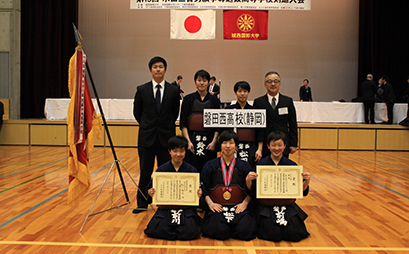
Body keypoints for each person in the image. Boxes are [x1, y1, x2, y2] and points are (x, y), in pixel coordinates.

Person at [133, 56, 181, 213]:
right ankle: (142, 203)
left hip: (166, 139)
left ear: (165, 70)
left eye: (161, 67)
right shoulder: (142, 89)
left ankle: (165, 202)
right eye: (155, 67)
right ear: (150, 70)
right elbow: (137, 113)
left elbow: (175, 113)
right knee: (145, 171)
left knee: (165, 172)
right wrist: (148, 125)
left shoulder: (173, 91)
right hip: (146, 139)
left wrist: (164, 126)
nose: (158, 69)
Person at [252, 131, 311, 242]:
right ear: (268, 146)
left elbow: (299, 191)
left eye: (280, 145)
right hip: (267, 206)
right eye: (273, 145)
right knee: (272, 233)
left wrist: (306, 182)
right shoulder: (261, 165)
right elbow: (254, 190)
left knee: (293, 233)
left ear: (285, 146)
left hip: (287, 205)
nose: (276, 148)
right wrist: (249, 180)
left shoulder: (292, 166)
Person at [200, 130, 257, 241]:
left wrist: (244, 204)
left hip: (238, 206)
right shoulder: (210, 165)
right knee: (219, 231)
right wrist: (211, 204)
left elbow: (253, 189)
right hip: (217, 206)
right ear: (220, 145)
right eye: (224, 143)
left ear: (236, 146)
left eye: (231, 143)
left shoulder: (244, 165)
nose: (227, 146)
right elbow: (203, 188)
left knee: (245, 231)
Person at [144, 136, 203, 240]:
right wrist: (151, 193)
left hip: (186, 210)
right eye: (175, 151)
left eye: (181, 151)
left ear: (185, 152)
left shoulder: (191, 170)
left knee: (190, 231)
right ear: (169, 151)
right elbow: (150, 191)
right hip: (165, 209)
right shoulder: (161, 171)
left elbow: (199, 196)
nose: (178, 154)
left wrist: (199, 195)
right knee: (159, 230)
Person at [180, 69, 220, 172]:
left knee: (208, 170)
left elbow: (218, 124)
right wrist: (188, 142)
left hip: (209, 142)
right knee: (191, 169)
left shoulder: (215, 101)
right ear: (195, 82)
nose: (201, 83)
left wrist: (214, 142)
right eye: (199, 80)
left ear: (208, 82)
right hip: (192, 141)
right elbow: (183, 123)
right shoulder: (188, 99)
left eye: (204, 80)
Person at [253, 71, 298, 158]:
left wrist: (293, 143)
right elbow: (256, 126)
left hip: (283, 144)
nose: (273, 84)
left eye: (276, 81)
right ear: (265, 84)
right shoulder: (259, 102)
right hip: (265, 145)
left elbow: (293, 124)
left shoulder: (287, 101)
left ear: (280, 84)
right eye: (269, 81)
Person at [225, 81, 263, 168]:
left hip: (251, 146)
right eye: (239, 91)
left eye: (245, 91)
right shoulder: (228, 110)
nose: (242, 94)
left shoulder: (255, 111)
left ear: (248, 93)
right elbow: (225, 131)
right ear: (235, 93)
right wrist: (230, 145)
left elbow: (260, 132)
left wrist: (259, 149)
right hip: (234, 147)